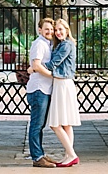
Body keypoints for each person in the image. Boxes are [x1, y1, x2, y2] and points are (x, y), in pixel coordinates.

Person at [29, 18, 81, 168]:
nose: (55, 32)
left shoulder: (66, 45)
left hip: (62, 84)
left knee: (57, 123)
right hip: (55, 85)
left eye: (59, 29)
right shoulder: (48, 44)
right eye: (53, 29)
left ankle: (71, 155)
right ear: (39, 30)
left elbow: (53, 64)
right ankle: (68, 154)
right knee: (63, 123)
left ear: (66, 30)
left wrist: (34, 67)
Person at [26, 17, 58, 168]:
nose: (50, 32)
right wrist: (54, 76)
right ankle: (37, 157)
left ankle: (41, 154)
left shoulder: (47, 44)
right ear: (39, 30)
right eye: (46, 29)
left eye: (51, 29)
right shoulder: (39, 44)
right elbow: (37, 66)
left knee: (40, 125)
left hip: (44, 88)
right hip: (39, 89)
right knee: (36, 125)